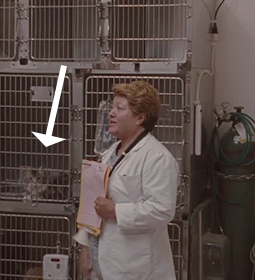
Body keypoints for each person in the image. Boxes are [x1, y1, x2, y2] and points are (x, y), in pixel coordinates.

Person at [73, 81, 179, 280]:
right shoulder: (109, 153)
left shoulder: (157, 158)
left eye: (119, 108)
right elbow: (93, 203)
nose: (111, 113)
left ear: (140, 117)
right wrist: (85, 249)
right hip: (103, 264)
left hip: (137, 270)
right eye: (112, 107)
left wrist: (116, 211)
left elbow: (162, 209)